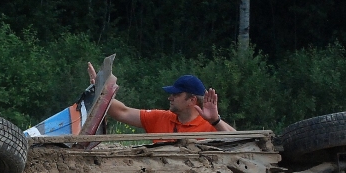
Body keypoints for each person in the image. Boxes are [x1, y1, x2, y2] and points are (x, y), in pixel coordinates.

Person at [88, 64, 236, 134]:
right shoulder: (161, 118)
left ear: (192, 100)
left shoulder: (211, 126)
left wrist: (216, 121)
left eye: (176, 95)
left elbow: (240, 144)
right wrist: (101, 92)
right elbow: (122, 112)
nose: (170, 97)